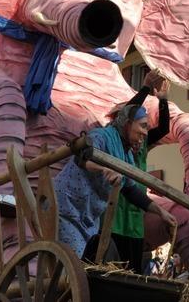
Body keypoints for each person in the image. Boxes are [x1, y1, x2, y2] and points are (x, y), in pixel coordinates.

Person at [54, 104, 177, 260]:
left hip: (89, 217)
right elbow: (81, 158)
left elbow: (131, 191)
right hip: (68, 207)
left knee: (88, 265)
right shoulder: (101, 136)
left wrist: (161, 212)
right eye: (143, 126)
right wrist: (104, 169)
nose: (145, 133)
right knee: (76, 267)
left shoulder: (127, 157)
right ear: (127, 123)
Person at [110, 70, 170, 273]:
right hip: (114, 214)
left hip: (135, 216)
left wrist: (163, 100)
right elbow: (125, 113)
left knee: (133, 271)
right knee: (110, 266)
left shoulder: (142, 144)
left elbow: (162, 129)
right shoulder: (114, 139)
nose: (144, 133)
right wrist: (145, 88)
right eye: (140, 126)